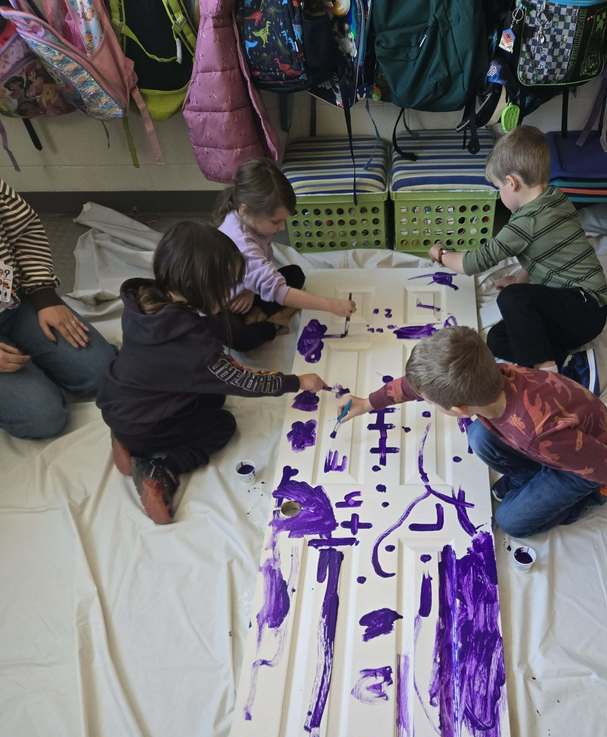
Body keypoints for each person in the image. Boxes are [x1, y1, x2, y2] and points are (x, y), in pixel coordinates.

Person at [98, 222, 325, 526]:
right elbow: (243, 380)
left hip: (119, 401)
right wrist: (296, 382)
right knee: (222, 424)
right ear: (203, 289)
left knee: (212, 396)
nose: (233, 292)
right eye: (227, 286)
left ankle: (125, 437)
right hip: (147, 421)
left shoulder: (143, 301)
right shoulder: (193, 345)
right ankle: (160, 469)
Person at [336, 326, 607, 537]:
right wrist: (367, 403)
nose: (423, 399)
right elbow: (414, 386)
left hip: (579, 465)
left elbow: (601, 460)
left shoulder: (541, 434)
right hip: (553, 446)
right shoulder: (490, 374)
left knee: (510, 522)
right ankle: (534, 480)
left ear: (457, 409)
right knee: (478, 437)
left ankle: (583, 499)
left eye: (429, 401)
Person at [430, 126, 607, 392]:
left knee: (512, 299)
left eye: (498, 188)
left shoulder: (525, 223)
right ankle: (573, 365)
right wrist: (519, 277)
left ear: (511, 183)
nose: (499, 194)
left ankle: (545, 380)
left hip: (586, 307)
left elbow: (473, 263)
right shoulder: (556, 198)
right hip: (578, 310)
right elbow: (548, 253)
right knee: (498, 339)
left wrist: (441, 255)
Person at [0, 178, 116, 439]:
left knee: (104, 373)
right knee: (43, 416)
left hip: (13, 304)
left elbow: (25, 234)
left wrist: (44, 296)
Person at [216, 159, 356, 332]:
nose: (282, 228)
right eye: (276, 222)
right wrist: (331, 305)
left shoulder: (247, 217)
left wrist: (250, 291)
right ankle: (271, 324)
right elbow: (277, 289)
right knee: (239, 335)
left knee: (295, 274)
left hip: (247, 291)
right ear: (245, 211)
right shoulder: (241, 245)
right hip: (229, 305)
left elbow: (256, 271)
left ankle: (261, 312)